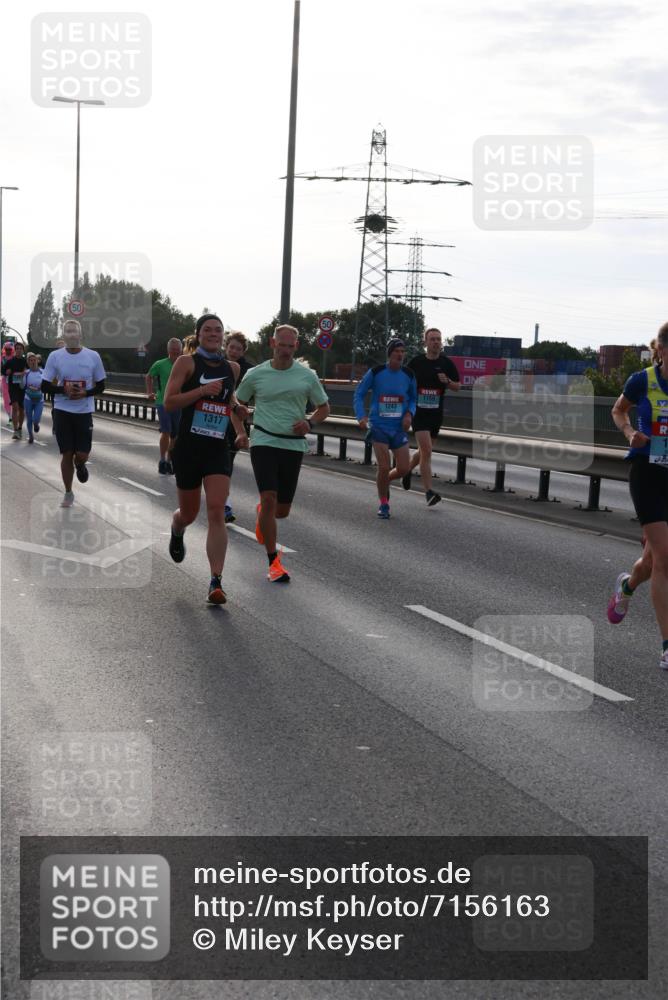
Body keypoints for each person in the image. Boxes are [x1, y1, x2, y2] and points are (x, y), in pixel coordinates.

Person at [163, 314, 248, 604]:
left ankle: (216, 581)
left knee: (215, 511)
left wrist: (239, 419)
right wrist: (200, 391)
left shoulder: (232, 368)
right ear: (198, 335)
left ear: (223, 336)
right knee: (189, 513)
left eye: (218, 331)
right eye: (208, 330)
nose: (213, 334)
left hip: (216, 448)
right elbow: (169, 401)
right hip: (188, 448)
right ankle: (177, 529)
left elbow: (229, 401)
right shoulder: (186, 363)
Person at [235, 324, 329, 582]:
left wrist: (309, 423)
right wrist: (241, 431)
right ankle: (273, 562)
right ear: (272, 343)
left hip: (292, 445)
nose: (286, 350)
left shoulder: (307, 376)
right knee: (269, 498)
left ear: (296, 346)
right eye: (282, 345)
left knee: (281, 511)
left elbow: (323, 407)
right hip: (263, 440)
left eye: (290, 346)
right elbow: (237, 403)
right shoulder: (255, 374)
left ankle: (263, 514)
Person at [608, 321, 668, 670]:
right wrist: (630, 432)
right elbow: (618, 410)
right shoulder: (642, 379)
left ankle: (627, 587)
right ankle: (666, 646)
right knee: (665, 557)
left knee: (651, 561)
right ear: (661, 350)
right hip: (647, 474)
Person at [388, 327, 461, 505]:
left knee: (423, 452)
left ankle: (401, 472)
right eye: (432, 339)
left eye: (438, 339)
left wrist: (448, 382)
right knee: (427, 451)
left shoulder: (446, 363)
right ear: (425, 343)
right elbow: (402, 382)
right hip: (418, 413)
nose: (436, 342)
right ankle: (429, 492)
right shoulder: (416, 362)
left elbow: (458, 386)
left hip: (436, 414)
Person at [41, 320, 106, 508]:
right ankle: (68, 492)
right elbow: (45, 385)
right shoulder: (55, 356)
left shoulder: (93, 356)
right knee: (66, 453)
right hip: (62, 410)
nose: (71, 335)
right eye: (67, 331)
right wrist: (64, 390)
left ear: (80, 335)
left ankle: (81, 464)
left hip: (84, 411)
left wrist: (85, 393)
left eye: (74, 331)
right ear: (64, 335)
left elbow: (101, 385)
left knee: (82, 454)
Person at [353, 339, 417, 519]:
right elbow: (359, 393)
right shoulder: (376, 372)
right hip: (378, 426)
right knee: (384, 466)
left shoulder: (409, 374)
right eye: (397, 351)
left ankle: (385, 480)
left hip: (398, 428)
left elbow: (413, 398)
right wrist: (361, 416)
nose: (400, 354)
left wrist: (409, 414)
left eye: (403, 351)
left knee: (404, 468)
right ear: (390, 353)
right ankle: (384, 504)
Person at [223, 331, 254, 523]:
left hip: (235, 424)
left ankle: (224, 505)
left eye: (238, 349)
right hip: (212, 420)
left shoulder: (250, 371)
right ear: (225, 347)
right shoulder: (214, 363)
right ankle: (219, 499)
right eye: (231, 347)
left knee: (226, 464)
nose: (234, 351)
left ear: (243, 351)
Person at [145, 338, 183, 474]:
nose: (175, 352)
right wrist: (149, 392)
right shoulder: (160, 364)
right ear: (168, 350)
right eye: (173, 349)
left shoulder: (184, 364)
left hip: (179, 403)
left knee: (175, 435)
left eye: (177, 350)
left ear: (181, 350)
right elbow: (149, 376)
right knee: (166, 431)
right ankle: (162, 461)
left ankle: (169, 461)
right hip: (163, 402)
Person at [2, 340, 27, 439]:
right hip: (12, 387)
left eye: (20, 349)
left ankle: (20, 428)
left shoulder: (26, 361)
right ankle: (15, 430)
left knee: (21, 409)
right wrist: (6, 371)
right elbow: (3, 370)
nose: (18, 350)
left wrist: (26, 371)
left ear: (23, 350)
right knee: (15, 406)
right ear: (15, 350)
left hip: (22, 387)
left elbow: (34, 368)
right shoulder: (10, 361)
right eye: (17, 349)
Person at [23, 352, 45, 444]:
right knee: (29, 418)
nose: (32, 362)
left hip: (39, 399)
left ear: (37, 361)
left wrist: (41, 387)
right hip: (28, 398)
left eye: (34, 360)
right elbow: (22, 386)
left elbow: (46, 384)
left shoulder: (42, 372)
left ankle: (36, 424)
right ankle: (31, 436)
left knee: (36, 419)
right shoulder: (26, 373)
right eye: (30, 360)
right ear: (28, 362)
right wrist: (22, 378)